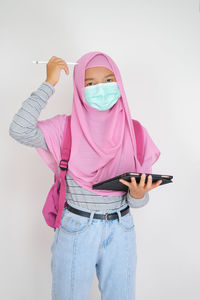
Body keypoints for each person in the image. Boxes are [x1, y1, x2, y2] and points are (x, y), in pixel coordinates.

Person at [9, 51, 161, 300]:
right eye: (90, 84)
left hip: (122, 229)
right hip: (77, 228)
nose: (101, 89)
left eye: (108, 80)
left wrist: (137, 194)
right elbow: (19, 129)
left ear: (119, 82)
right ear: (79, 88)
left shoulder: (136, 132)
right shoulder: (64, 128)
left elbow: (139, 202)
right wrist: (49, 83)